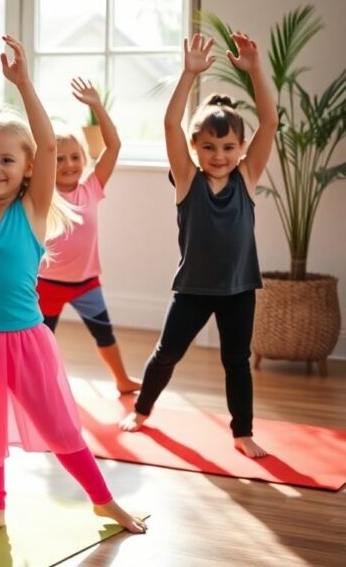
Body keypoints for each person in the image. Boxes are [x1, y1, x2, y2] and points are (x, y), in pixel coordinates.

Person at [0, 36, 146, 540]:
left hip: (25, 340)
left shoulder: (31, 212)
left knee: (60, 428)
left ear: (26, 167)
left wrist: (24, 84)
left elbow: (48, 145)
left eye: (6, 160)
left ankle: (103, 500)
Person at [120, 33, 277, 459]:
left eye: (228, 147)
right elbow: (171, 124)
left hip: (239, 288)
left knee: (236, 362)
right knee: (167, 353)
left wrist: (257, 71)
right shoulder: (188, 182)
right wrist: (189, 73)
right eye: (208, 147)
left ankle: (242, 433)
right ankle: (142, 408)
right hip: (192, 288)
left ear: (241, 148)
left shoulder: (247, 177)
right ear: (195, 148)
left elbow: (270, 121)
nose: (219, 155)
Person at [37, 78, 141, 394]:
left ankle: (122, 380)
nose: (68, 164)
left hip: (85, 284)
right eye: (59, 158)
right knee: (41, 340)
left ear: (84, 160)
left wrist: (97, 106)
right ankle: (40, 385)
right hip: (46, 284)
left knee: (104, 333)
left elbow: (114, 146)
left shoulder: (91, 188)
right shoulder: (43, 194)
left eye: (74, 157)